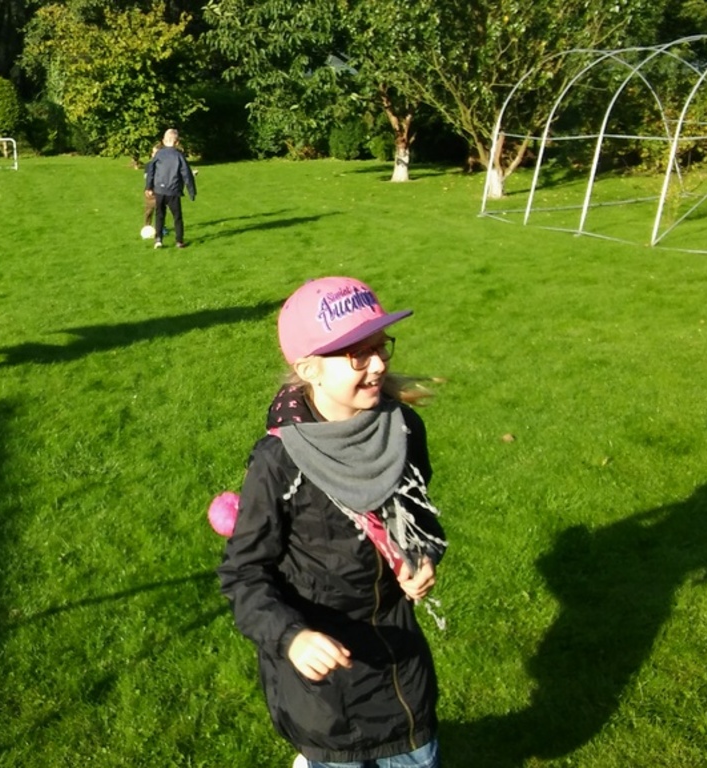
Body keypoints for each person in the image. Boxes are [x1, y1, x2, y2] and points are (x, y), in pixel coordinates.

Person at [218, 276, 448, 768]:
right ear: (310, 370)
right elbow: (243, 573)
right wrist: (291, 637)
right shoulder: (279, 461)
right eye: (357, 354)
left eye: (380, 346)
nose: (379, 364)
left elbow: (419, 513)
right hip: (325, 684)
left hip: (401, 668)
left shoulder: (403, 428)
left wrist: (423, 555)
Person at [143, 128, 196, 249]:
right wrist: (191, 191)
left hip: (159, 190)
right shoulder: (179, 156)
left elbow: (151, 171)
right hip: (173, 191)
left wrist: (149, 187)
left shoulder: (158, 154)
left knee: (159, 215)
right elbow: (186, 174)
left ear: (163, 141)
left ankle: (158, 240)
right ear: (177, 142)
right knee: (177, 217)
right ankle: (179, 241)